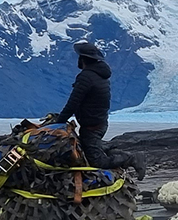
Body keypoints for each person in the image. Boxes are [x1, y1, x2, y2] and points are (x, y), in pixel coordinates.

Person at [58, 40, 139, 174]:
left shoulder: (86, 77)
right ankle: (109, 149)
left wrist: (58, 123)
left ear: (83, 59)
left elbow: (73, 103)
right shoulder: (100, 75)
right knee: (88, 145)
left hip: (92, 126)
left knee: (97, 162)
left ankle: (130, 158)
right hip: (99, 122)